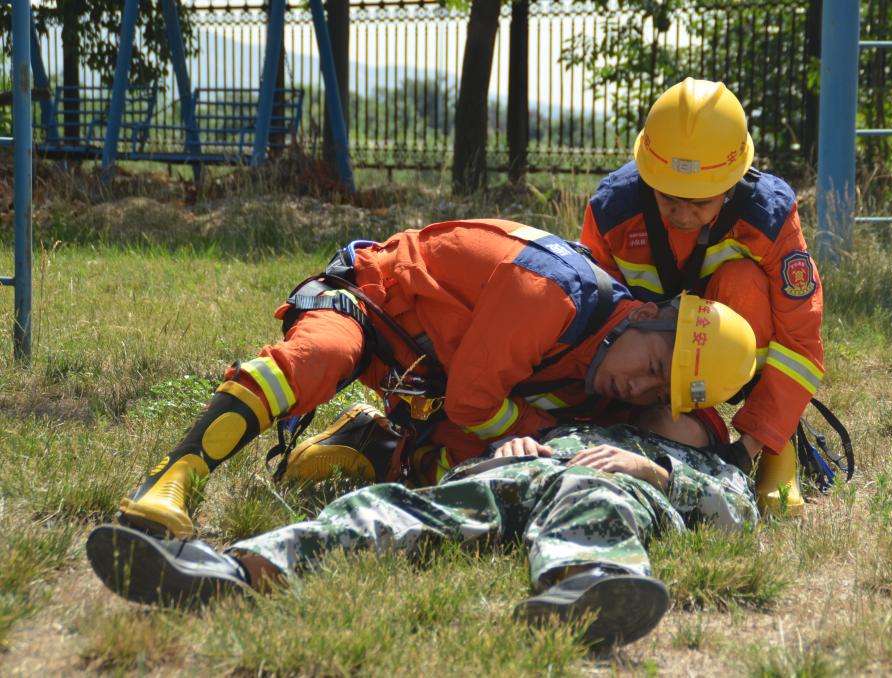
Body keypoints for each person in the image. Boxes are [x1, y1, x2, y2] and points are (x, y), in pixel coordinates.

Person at [118, 218, 758, 539]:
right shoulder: (553, 293)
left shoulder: (614, 362)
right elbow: (477, 401)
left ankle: (376, 445)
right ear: (647, 316)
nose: (638, 388)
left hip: (429, 381)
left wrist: (683, 452)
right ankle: (172, 481)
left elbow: (699, 432)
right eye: (653, 367)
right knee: (320, 357)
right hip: (370, 307)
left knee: (491, 468)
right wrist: (533, 434)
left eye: (657, 390)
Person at [88, 422, 759, 648]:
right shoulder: (573, 420)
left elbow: (738, 513)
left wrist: (656, 470)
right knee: (389, 504)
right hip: (516, 480)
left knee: (591, 494)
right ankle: (239, 571)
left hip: (603, 491)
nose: (641, 386)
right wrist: (504, 453)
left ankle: (590, 585)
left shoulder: (703, 454)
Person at [580, 78, 825, 513]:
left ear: (730, 185)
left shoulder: (768, 218)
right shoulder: (613, 211)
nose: (683, 215)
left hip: (729, 356)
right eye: (670, 199)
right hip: (647, 363)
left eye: (700, 203)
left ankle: (777, 449)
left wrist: (750, 445)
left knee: (744, 282)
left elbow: (799, 343)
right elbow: (592, 319)